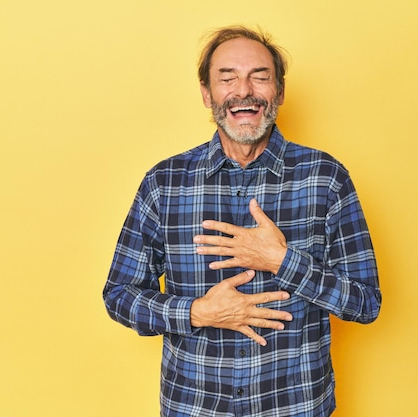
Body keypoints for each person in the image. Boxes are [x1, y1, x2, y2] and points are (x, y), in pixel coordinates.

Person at [103, 25, 381, 417]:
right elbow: (119, 295)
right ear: (207, 94)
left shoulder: (326, 177)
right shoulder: (164, 183)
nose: (243, 90)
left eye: (260, 77)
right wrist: (198, 312)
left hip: (295, 406)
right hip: (194, 406)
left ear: (279, 92)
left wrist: (283, 261)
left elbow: (366, 304)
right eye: (227, 77)